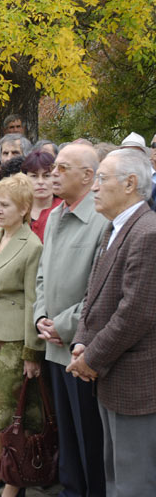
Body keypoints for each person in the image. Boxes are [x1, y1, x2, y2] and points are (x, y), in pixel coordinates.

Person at [68, 148, 156, 496]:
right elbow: (93, 294)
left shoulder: (147, 233)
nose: (94, 187)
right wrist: (81, 340)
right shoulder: (115, 228)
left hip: (136, 382)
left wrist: (91, 358)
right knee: (114, 478)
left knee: (135, 482)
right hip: (110, 376)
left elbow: (136, 313)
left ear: (130, 184)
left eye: (102, 179)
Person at [33, 143, 107, 497]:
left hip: (82, 348)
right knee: (66, 432)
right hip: (53, 345)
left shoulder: (102, 220)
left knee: (89, 435)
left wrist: (61, 325)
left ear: (89, 176)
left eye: (62, 169)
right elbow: (43, 276)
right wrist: (41, 318)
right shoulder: (56, 215)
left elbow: (100, 290)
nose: (53, 175)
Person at [0, 174, 44, 497]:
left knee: (11, 416)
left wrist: (32, 352)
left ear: (24, 208)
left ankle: (13, 482)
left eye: (5, 205)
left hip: (13, 342)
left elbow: (33, 301)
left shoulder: (32, 246)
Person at [21, 150, 61, 241]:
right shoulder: (16, 208)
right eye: (34, 176)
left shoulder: (65, 208)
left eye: (46, 176)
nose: (40, 182)